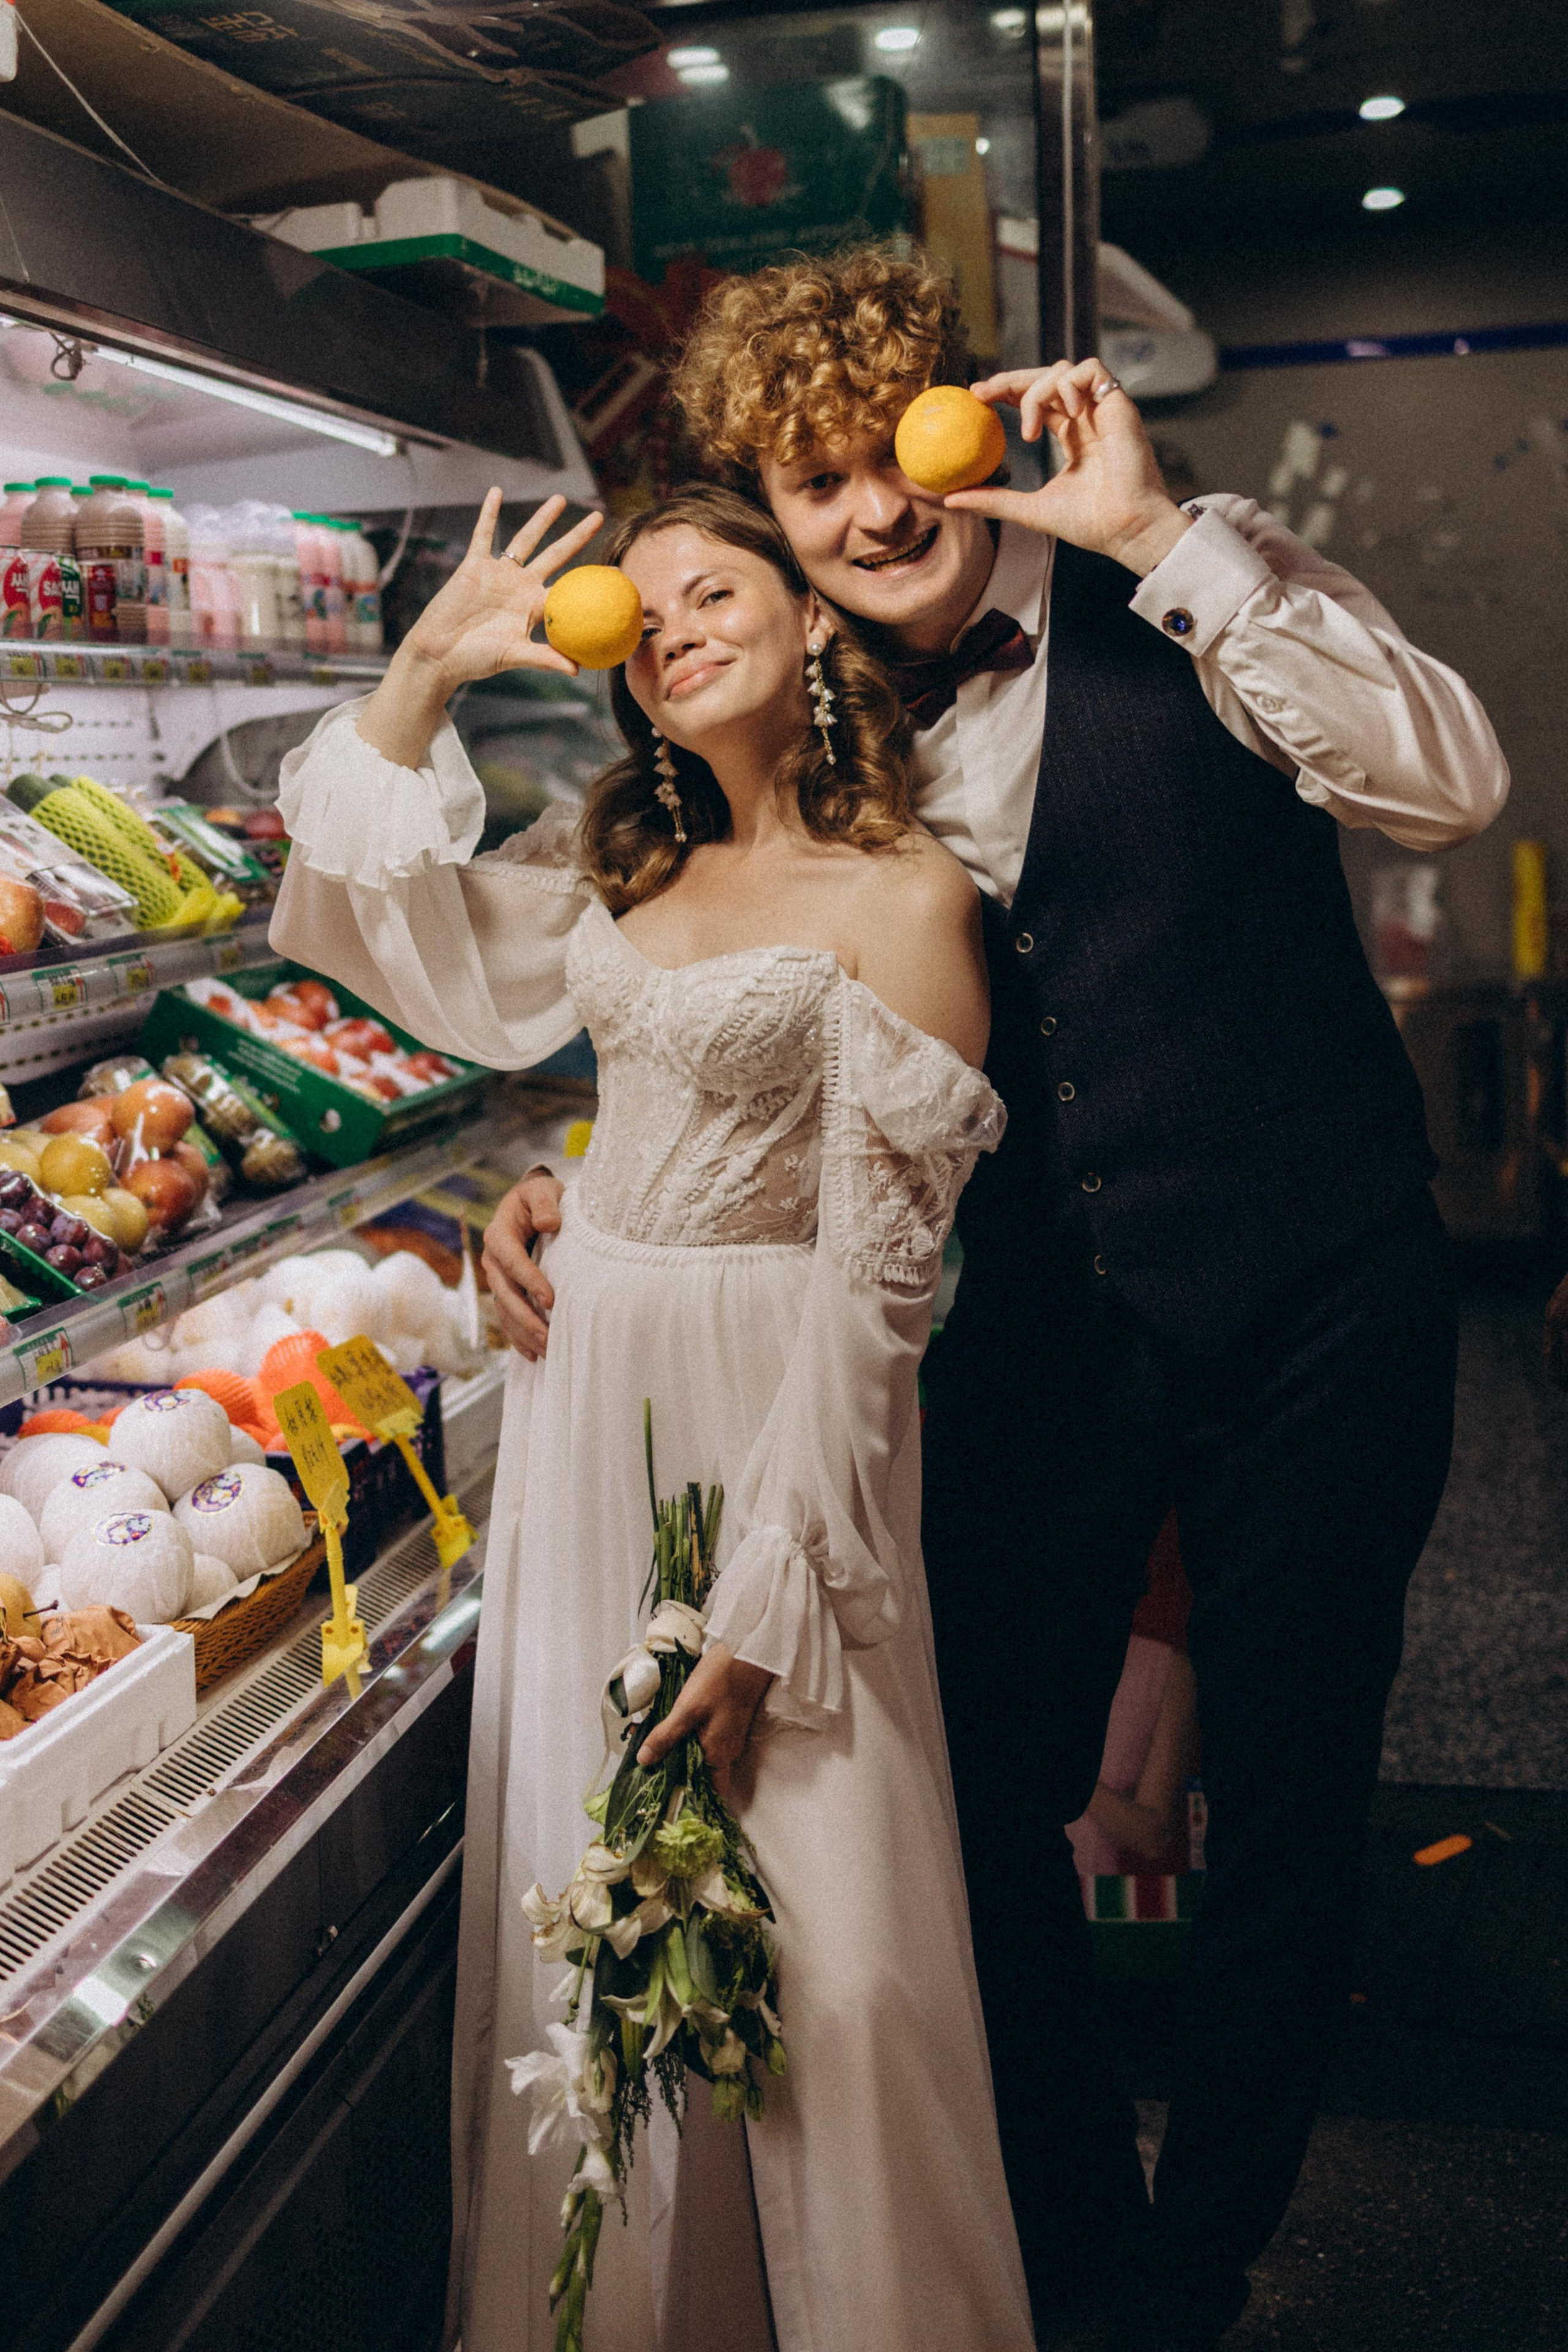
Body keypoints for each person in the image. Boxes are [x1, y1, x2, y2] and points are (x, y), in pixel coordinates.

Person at [490, 248, 1509, 2350]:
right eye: (812, 485)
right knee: (979, 1793)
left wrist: (1155, 532)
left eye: (890, 450)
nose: (871, 511)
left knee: (1292, 1802)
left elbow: (1448, 784)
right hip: (1044, 1326)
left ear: (966, 423)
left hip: (1322, 1283)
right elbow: (722, 1033)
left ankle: (1192, 2268)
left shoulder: (1196, 589)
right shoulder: (824, 744)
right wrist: (570, 1192)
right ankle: (1062, 2233)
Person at [269, 480, 1035, 2352]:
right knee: (594, 1921)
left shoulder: (911, 893)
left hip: (778, 1428)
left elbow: (879, 1294)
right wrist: (428, 674)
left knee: (832, 1960)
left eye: (717, 586)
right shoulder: (620, 865)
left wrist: (774, 1595)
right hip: (586, 1404)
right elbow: (368, 928)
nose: (675, 622)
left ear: (809, 620)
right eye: (646, 608)